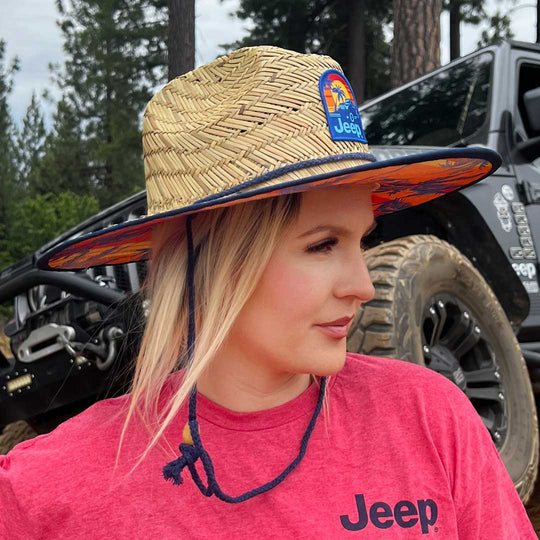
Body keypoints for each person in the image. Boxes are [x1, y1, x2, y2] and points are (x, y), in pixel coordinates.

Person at [0, 46, 536, 539]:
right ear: (207, 262)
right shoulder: (41, 493)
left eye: (363, 241)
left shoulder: (431, 419)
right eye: (322, 245)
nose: (362, 286)